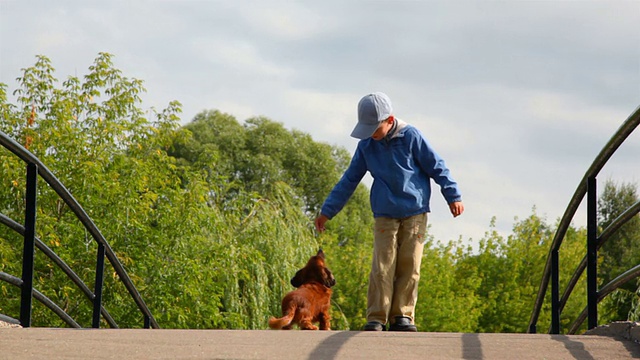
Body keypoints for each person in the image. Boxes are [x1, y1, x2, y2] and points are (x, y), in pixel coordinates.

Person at [314, 92, 464, 332]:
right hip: (384, 212)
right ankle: (377, 316)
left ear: (390, 120)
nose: (371, 134)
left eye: (375, 128)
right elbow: (349, 179)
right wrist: (327, 211)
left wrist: (453, 195)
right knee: (382, 266)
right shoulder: (366, 146)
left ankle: (402, 315)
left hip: (415, 212)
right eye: (367, 129)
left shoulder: (410, 137)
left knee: (410, 264)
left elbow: (437, 166)